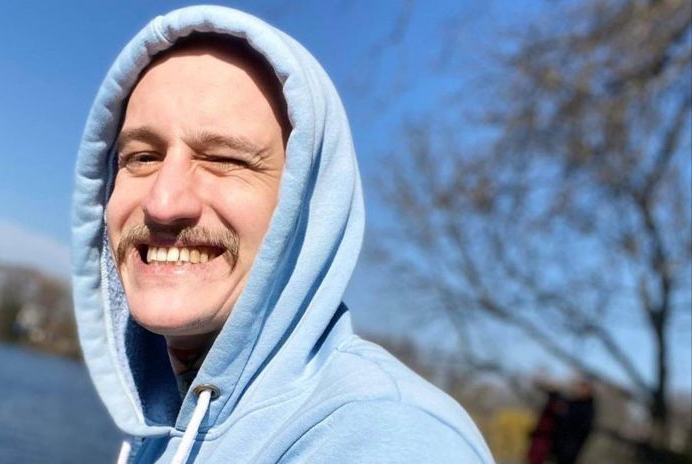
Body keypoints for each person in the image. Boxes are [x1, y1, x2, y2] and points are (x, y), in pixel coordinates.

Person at [71, 6, 494, 463]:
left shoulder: (384, 436)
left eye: (225, 160)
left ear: (307, 205)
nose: (163, 203)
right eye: (142, 157)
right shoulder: (162, 422)